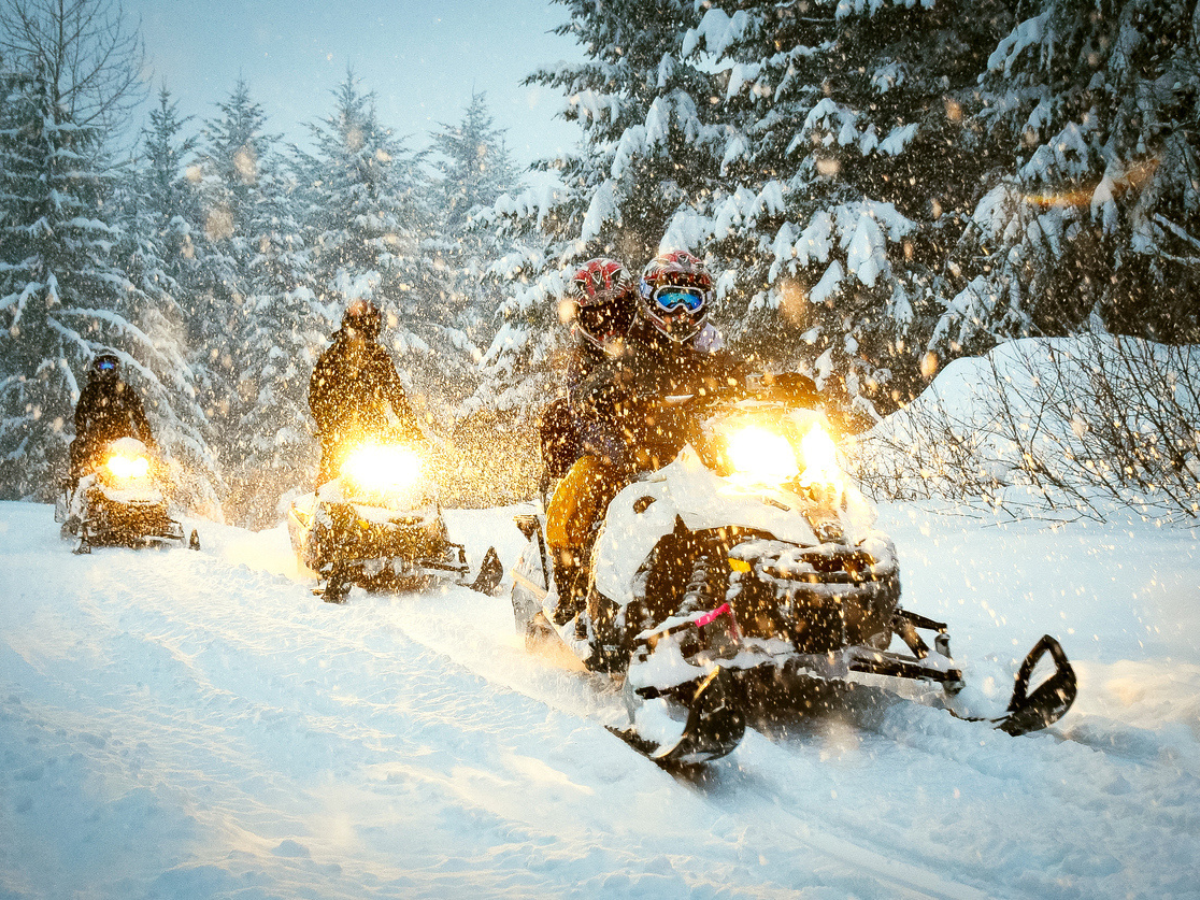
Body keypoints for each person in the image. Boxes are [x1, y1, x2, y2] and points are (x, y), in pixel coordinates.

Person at [544, 251, 744, 623]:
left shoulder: (697, 339)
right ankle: (571, 582)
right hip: (625, 446)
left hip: (691, 446)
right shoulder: (630, 348)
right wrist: (618, 426)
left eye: (690, 299)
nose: (681, 309)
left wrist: (769, 384)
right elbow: (585, 400)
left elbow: (729, 370)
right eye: (671, 298)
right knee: (580, 488)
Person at [539, 257, 638, 495]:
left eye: (616, 311)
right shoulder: (581, 359)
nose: (609, 324)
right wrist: (620, 455)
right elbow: (581, 414)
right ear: (581, 319)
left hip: (669, 450)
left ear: (631, 306)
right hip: (610, 465)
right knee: (580, 480)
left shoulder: (651, 340)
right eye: (596, 316)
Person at [309, 299, 424, 488]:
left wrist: (413, 432)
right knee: (330, 487)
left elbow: (398, 397)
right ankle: (324, 511)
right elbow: (316, 396)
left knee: (400, 490)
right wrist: (329, 426)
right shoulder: (332, 357)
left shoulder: (380, 358)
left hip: (374, 439)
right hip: (341, 441)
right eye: (365, 325)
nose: (366, 333)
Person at [69, 353, 156, 486]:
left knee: (147, 466)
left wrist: (147, 439)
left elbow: (139, 415)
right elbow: (80, 415)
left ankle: (155, 490)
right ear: (97, 368)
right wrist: (82, 435)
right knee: (80, 456)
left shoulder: (124, 390)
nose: (107, 370)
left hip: (123, 437)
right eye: (103, 366)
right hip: (97, 437)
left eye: (111, 366)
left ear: (116, 368)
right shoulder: (91, 390)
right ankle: (77, 487)